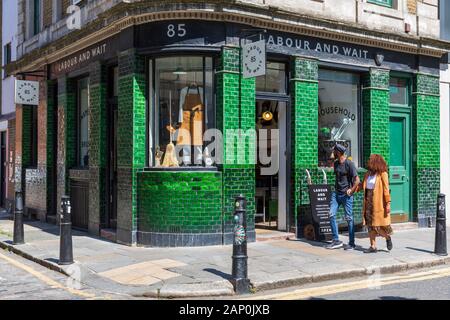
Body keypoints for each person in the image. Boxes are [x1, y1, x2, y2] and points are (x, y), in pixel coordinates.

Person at [356, 154, 393, 253]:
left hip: (378, 202)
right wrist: (352, 189)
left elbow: (386, 190)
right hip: (368, 201)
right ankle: (373, 246)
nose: (369, 162)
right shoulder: (368, 174)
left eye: (370, 160)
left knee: (377, 226)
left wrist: (388, 203)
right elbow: (362, 185)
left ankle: (387, 237)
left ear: (376, 162)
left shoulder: (383, 174)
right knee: (370, 225)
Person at [326, 144, 360, 250]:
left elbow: (357, 180)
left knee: (349, 218)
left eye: (335, 151)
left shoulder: (349, 164)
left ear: (339, 152)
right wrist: (332, 155)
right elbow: (330, 161)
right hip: (336, 194)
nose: (333, 153)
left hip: (346, 195)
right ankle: (336, 240)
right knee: (331, 214)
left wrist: (352, 190)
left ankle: (351, 243)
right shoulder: (336, 163)